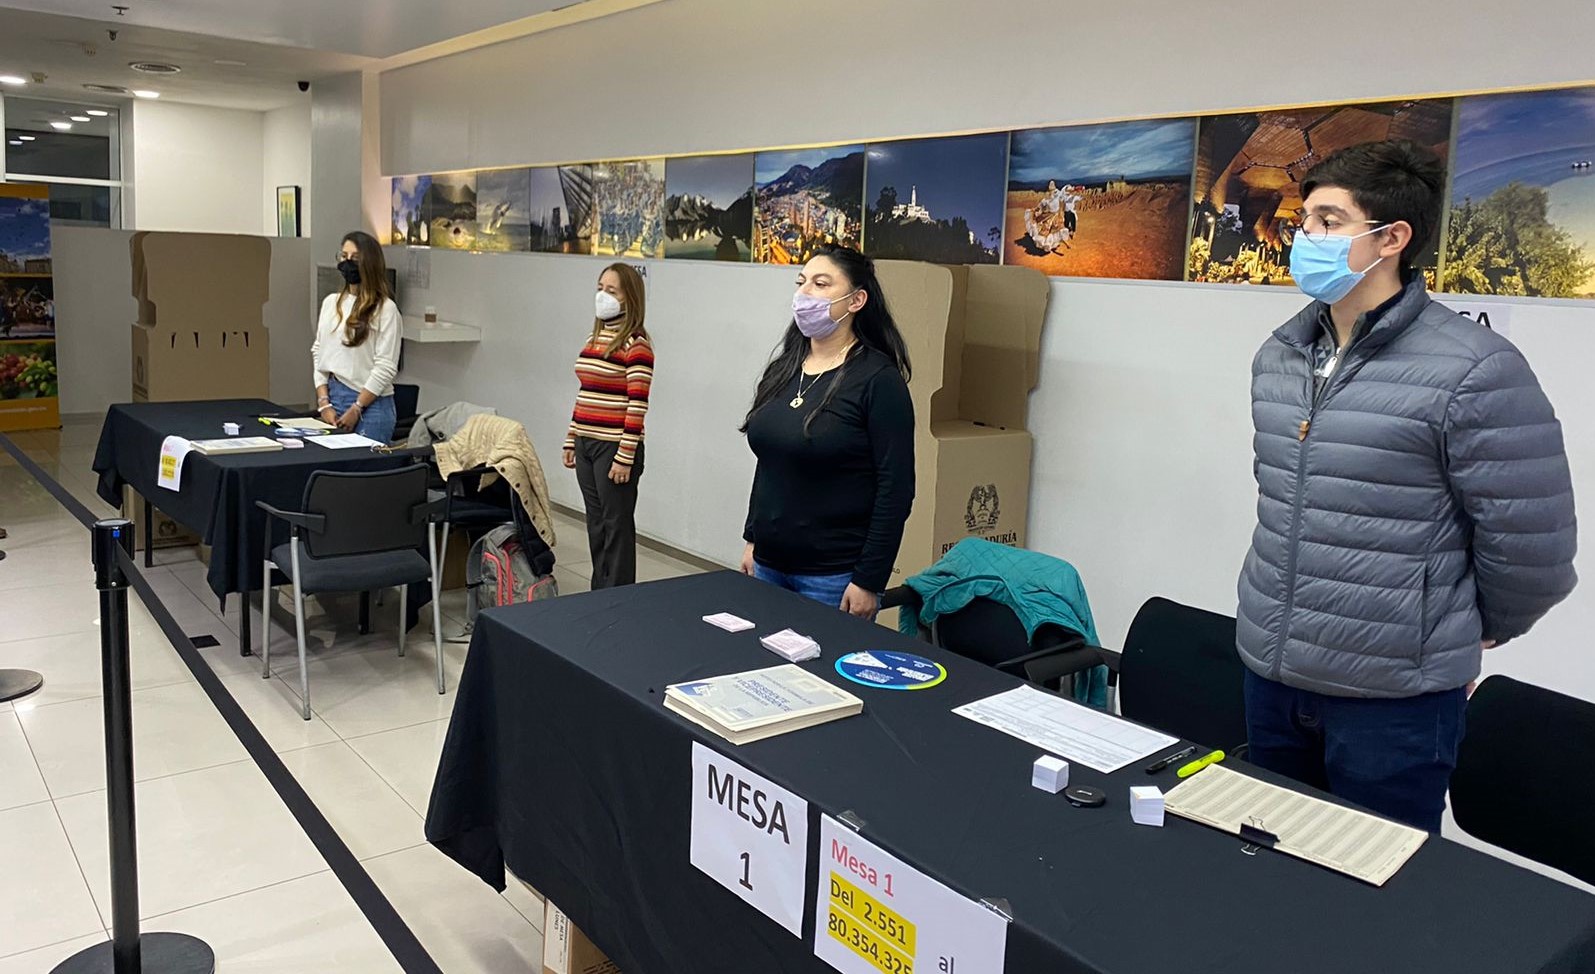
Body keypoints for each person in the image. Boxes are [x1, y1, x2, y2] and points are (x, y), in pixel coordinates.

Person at [1237, 140, 1577, 832]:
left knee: (1373, 898)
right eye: (1304, 221)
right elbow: (1284, 503)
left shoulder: (1474, 369)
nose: (1304, 237)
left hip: (1392, 700)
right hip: (1272, 674)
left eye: (1328, 222)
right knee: (1263, 880)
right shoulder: (1279, 355)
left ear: (1391, 238)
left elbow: (1532, 545)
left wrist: (1460, 629)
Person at [740, 245, 915, 618]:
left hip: (833, 576)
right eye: (801, 282)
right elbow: (770, 464)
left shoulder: (877, 380)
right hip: (768, 562)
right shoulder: (784, 370)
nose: (804, 294)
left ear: (856, 300)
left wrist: (869, 579)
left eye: (821, 284)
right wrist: (752, 538)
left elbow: (896, 489)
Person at [561, 263, 654, 588]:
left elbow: (637, 403)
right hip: (587, 441)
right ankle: (598, 591)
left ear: (629, 297)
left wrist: (625, 456)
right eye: (601, 288)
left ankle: (617, 596)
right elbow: (586, 390)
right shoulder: (596, 337)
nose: (603, 296)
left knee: (616, 527)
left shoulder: (636, 343)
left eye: (612, 290)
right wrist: (571, 438)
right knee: (596, 525)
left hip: (614, 446)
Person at [312, 231, 402, 443]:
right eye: (344, 256)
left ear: (369, 263)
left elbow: (386, 367)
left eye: (355, 258)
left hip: (371, 407)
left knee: (365, 471)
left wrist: (357, 407)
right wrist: (324, 402)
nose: (348, 262)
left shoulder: (386, 310)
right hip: (333, 398)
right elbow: (319, 352)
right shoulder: (330, 303)